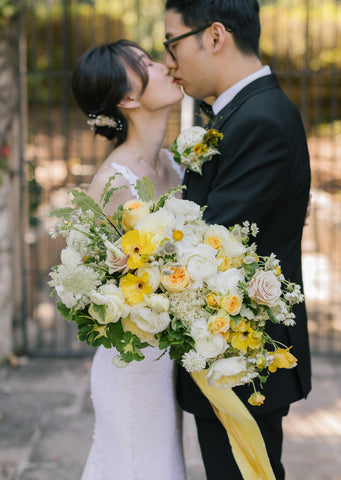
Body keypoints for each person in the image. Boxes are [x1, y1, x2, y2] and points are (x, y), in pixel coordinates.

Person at [164, 1, 312, 479]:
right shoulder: (240, 113)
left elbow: (210, 241)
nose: (169, 60)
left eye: (172, 42)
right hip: (230, 354)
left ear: (214, 36)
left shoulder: (260, 120)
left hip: (244, 359)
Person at [71, 39, 187, 480]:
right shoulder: (116, 182)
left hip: (166, 360)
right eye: (147, 63)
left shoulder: (172, 163)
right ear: (128, 98)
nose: (165, 64)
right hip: (133, 366)